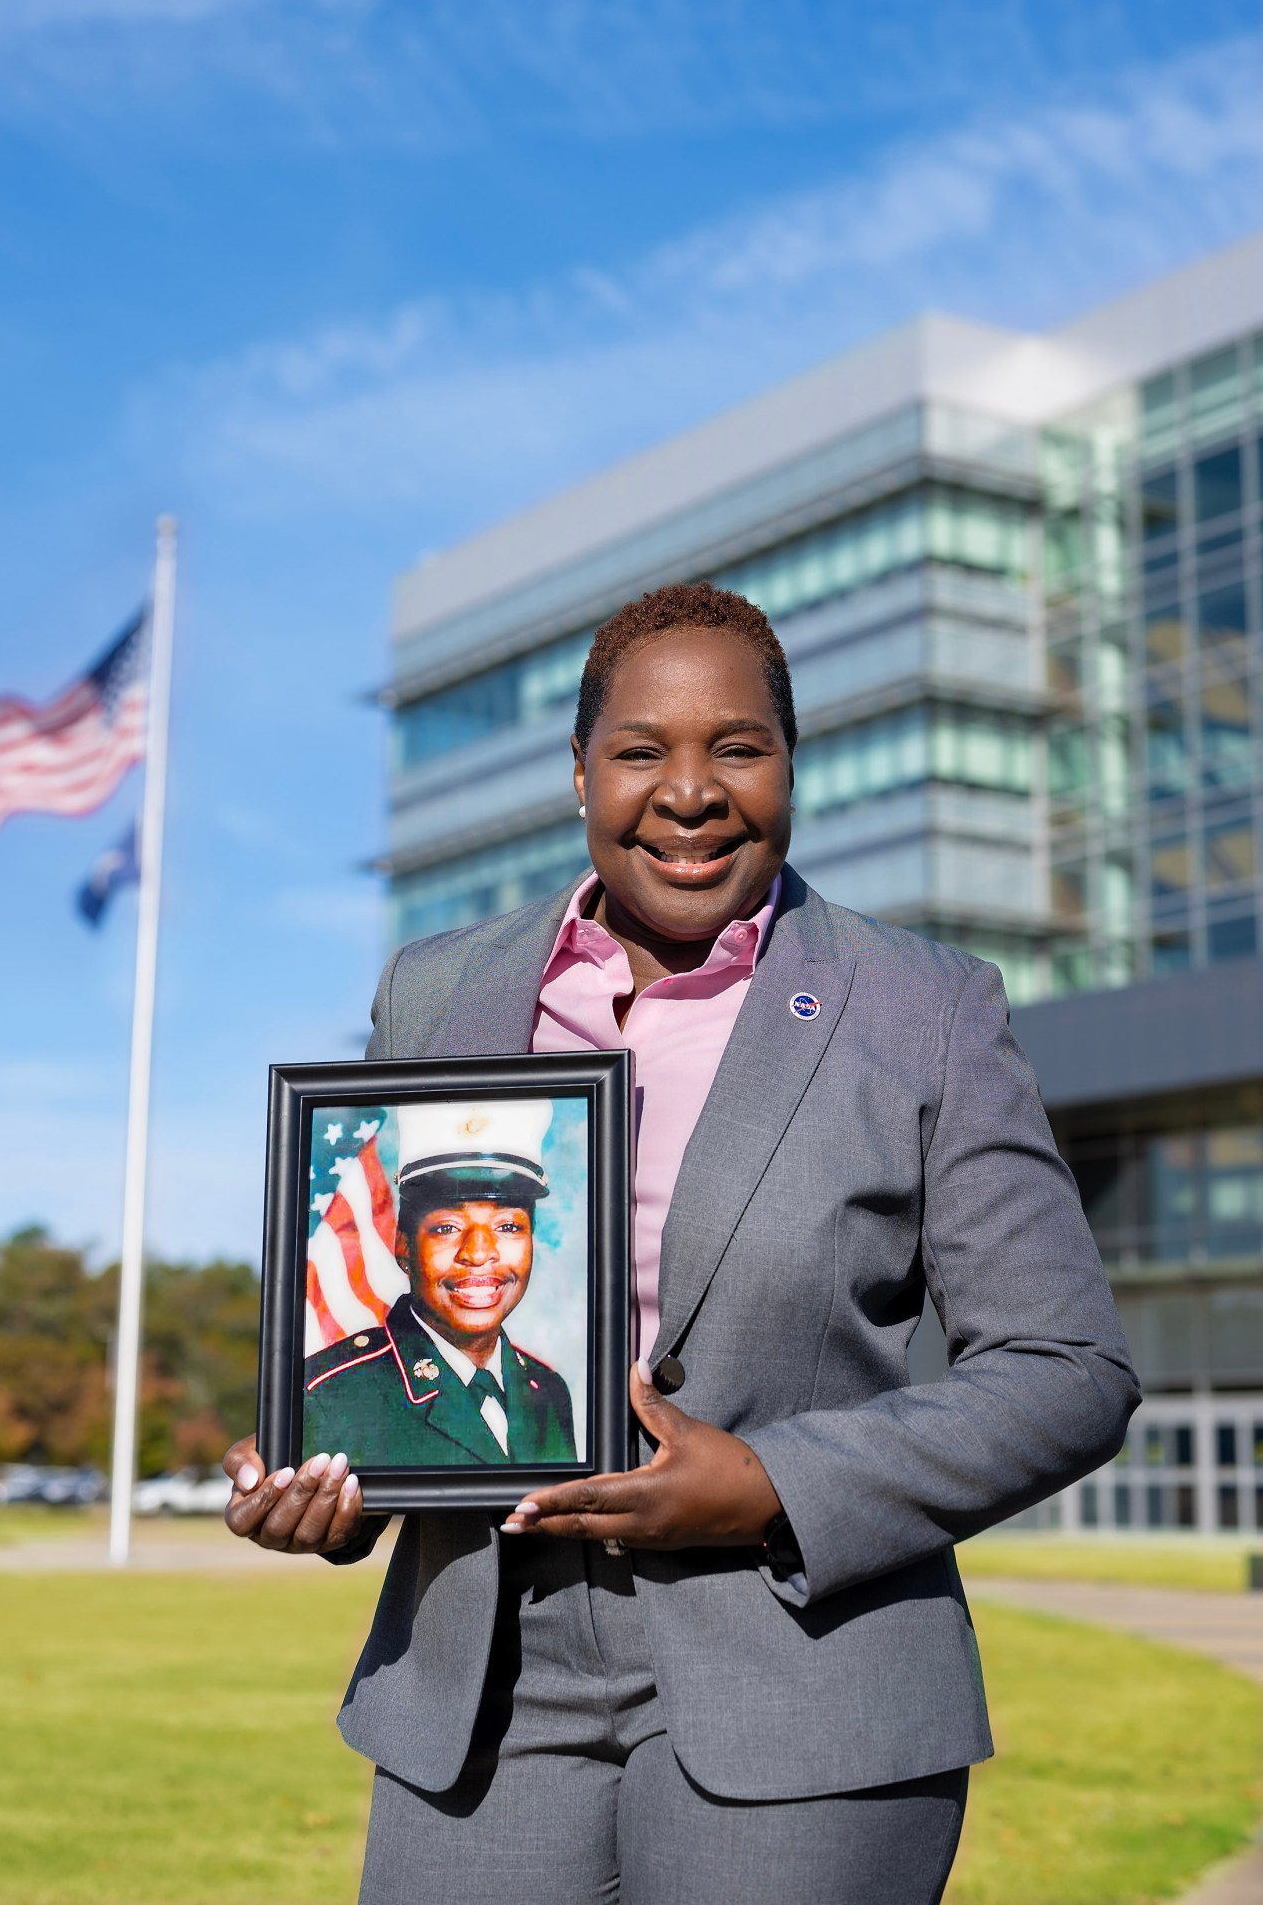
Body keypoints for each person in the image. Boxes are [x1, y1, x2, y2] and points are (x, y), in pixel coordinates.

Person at [225, 582, 1139, 1905]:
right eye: (642, 749)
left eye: (739, 746)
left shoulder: (922, 1006)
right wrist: (334, 1485)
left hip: (802, 1672)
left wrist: (772, 1481)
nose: (690, 790)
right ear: (581, 771)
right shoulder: (438, 989)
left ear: (791, 761)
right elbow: (373, 1315)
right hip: (484, 1689)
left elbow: (1066, 1366)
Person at [303, 1099, 577, 1468]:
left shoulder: (547, 1390)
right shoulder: (331, 1396)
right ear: (404, 1246)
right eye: (447, 1227)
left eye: (508, 1227)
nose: (479, 1253)